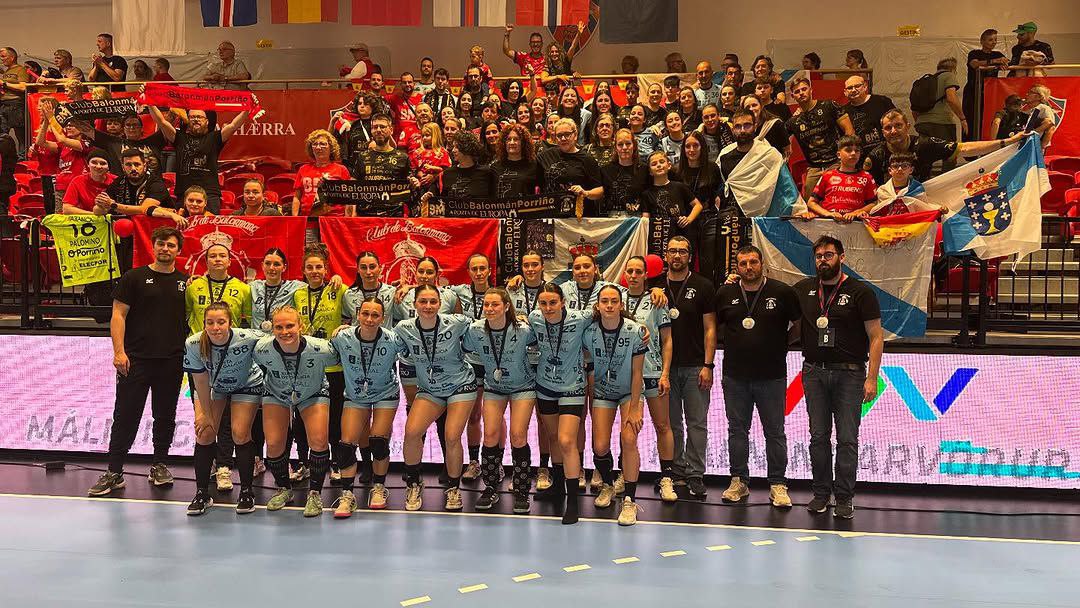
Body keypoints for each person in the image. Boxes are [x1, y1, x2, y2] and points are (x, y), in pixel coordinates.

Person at [87, 227, 187, 497]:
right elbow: (118, 315)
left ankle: (159, 465)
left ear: (179, 250)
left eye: (171, 245)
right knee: (125, 415)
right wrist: (118, 351)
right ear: (153, 246)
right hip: (136, 360)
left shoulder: (185, 281)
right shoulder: (134, 277)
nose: (166, 248)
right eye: (161, 244)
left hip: (172, 360)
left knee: (165, 416)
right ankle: (115, 471)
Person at [795, 235, 883, 519]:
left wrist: (872, 378)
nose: (823, 260)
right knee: (818, 437)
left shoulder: (860, 292)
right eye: (819, 255)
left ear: (841, 257)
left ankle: (844, 497)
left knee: (847, 439)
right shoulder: (803, 290)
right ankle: (821, 494)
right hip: (814, 372)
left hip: (850, 375)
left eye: (828, 255)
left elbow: (876, 336)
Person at [715, 245, 800, 507]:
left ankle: (778, 484)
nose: (748, 267)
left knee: (775, 432)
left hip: (772, 375)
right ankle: (739, 481)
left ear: (762, 263)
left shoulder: (782, 292)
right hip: (735, 376)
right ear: (737, 267)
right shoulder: (726, 293)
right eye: (743, 264)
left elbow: (797, 325)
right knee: (737, 431)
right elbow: (714, 326)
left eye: (753, 262)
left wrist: (781, 345)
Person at [394, 285, 478, 512]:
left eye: (433, 301)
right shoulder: (404, 328)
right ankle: (413, 483)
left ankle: (453, 488)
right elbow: (381, 337)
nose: (428, 306)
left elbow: (484, 325)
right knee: (411, 432)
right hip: (430, 389)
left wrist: (516, 320)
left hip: (461, 385)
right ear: (415, 304)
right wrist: (349, 329)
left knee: (451, 435)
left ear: (440, 303)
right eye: (423, 301)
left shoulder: (457, 322)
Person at [253, 306, 339, 517]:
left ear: (301, 326)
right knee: (273, 443)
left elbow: (341, 359)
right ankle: (284, 489)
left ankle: (315, 493)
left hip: (313, 391)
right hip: (276, 392)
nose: (285, 332)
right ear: (272, 329)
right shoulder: (261, 349)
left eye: (290, 326)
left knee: (318, 440)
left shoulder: (321, 348)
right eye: (279, 327)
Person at [648, 236, 716, 498]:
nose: (677, 256)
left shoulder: (703, 285)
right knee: (670, 423)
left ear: (690, 256)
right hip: (662, 369)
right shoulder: (654, 286)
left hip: (695, 365)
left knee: (697, 423)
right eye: (672, 251)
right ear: (666, 255)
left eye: (682, 252)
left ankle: (695, 473)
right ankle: (675, 471)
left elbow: (710, 329)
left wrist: (708, 364)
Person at [182, 301, 263, 515]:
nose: (215, 327)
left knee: (239, 433)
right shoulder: (193, 344)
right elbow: (199, 381)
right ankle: (202, 493)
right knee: (205, 434)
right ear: (204, 324)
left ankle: (246, 492)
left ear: (230, 323)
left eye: (221, 322)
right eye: (210, 322)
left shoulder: (247, 337)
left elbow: (277, 339)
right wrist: (205, 415)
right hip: (214, 387)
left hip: (247, 385)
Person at [461, 288, 538, 512]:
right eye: (486, 304)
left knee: (517, 434)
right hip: (494, 386)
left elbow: (542, 345)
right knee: (491, 434)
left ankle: (522, 489)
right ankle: (492, 486)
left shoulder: (524, 330)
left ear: (506, 306)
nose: (490, 309)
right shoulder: (475, 330)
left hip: (523, 386)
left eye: (495, 305)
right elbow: (463, 348)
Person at [582, 285, 647, 526]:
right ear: (597, 306)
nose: (609, 305)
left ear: (621, 305)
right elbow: (586, 365)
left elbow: (638, 372)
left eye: (614, 301)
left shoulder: (635, 331)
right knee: (599, 446)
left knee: (629, 439)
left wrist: (635, 407)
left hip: (628, 393)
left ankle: (629, 500)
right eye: (605, 301)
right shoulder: (588, 332)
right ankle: (608, 485)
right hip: (602, 392)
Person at [330, 297, 401, 515]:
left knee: (378, 441)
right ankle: (347, 494)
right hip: (355, 394)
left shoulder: (393, 339)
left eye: (375, 315)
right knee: (346, 444)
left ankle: (379, 487)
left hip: (385, 393)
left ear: (383, 318)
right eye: (365, 314)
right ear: (358, 315)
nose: (370, 319)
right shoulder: (342, 337)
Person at [529, 283, 590, 524]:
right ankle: (558, 487)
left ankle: (573, 502)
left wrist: (640, 328)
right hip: (545, 385)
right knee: (553, 437)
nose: (548, 308)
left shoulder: (580, 317)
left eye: (553, 302)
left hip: (572, 386)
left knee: (567, 440)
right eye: (543, 303)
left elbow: (609, 309)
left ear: (563, 301)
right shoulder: (535, 318)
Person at [619, 257, 677, 503]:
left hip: (652, 373)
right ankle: (625, 473)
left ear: (646, 275)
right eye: (629, 271)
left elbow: (667, 340)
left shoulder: (657, 301)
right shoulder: (615, 298)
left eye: (638, 271)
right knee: (627, 431)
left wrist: (665, 373)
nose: (633, 275)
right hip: (624, 375)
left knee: (662, 425)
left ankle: (666, 477)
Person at [864, 109, 1024, 185]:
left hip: (921, 200)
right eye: (888, 128)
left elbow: (965, 149)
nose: (894, 131)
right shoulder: (876, 155)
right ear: (882, 132)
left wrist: (1006, 143)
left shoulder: (924, 144)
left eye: (898, 126)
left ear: (908, 126)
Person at [148, 100, 252, 214]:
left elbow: (233, 125)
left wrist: (248, 108)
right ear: (188, 120)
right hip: (184, 193)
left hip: (210, 194)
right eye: (192, 117)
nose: (196, 119)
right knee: (184, 228)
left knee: (210, 228)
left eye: (199, 117)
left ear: (207, 121)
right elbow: (162, 122)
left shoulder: (215, 138)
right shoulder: (179, 138)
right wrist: (149, 102)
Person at [787, 77, 855, 198]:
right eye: (797, 91)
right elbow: (781, 141)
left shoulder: (829, 105)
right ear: (793, 96)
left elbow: (849, 131)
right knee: (809, 202)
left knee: (839, 199)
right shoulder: (793, 121)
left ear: (811, 90)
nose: (801, 93)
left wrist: (846, 159)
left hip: (836, 163)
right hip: (814, 168)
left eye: (804, 89)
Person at [537, 118, 604, 217]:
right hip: (553, 216)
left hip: (580, 218)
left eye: (567, 134)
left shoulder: (587, 159)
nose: (563, 138)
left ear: (575, 135)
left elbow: (600, 190)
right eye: (559, 135)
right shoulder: (546, 156)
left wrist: (586, 193)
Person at [803, 136, 877, 220]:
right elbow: (811, 202)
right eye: (848, 150)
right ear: (838, 154)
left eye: (857, 151)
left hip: (855, 225)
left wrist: (857, 212)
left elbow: (874, 204)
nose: (853, 153)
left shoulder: (867, 177)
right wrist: (827, 213)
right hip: (829, 224)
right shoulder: (827, 175)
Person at [913, 58, 965, 172]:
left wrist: (920, 121)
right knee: (950, 155)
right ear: (953, 68)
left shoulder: (925, 81)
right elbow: (951, 98)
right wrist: (962, 118)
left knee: (925, 156)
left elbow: (914, 108)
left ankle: (923, 182)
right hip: (942, 123)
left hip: (922, 123)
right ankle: (946, 184)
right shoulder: (948, 75)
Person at [79, 113, 167, 176]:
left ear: (141, 128)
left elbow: (166, 124)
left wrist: (151, 103)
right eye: (128, 125)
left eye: (135, 125)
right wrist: (69, 118)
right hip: (122, 188)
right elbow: (88, 131)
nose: (132, 128)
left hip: (151, 188)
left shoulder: (153, 142)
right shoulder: (113, 142)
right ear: (123, 129)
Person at [350, 113, 417, 195]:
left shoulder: (403, 158)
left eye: (382, 127)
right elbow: (353, 188)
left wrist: (414, 183)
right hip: (368, 206)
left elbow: (411, 185)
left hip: (395, 207)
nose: (378, 130)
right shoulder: (362, 157)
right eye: (375, 127)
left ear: (391, 130)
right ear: (371, 131)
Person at [963, 29, 1009, 140]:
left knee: (989, 118)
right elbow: (974, 64)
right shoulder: (974, 53)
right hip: (973, 92)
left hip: (990, 93)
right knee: (972, 120)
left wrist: (1002, 64)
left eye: (995, 40)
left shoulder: (997, 54)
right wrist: (994, 62)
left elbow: (1007, 61)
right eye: (990, 40)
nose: (993, 42)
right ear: (982, 41)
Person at [294, 129, 351, 217]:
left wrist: (347, 220)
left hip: (334, 219)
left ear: (331, 148)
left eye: (322, 144)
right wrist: (295, 218)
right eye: (315, 144)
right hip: (308, 218)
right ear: (311, 148)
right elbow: (297, 197)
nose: (318, 147)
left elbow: (348, 199)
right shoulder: (303, 169)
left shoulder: (341, 170)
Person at [842, 75, 895, 161]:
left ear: (865, 86)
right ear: (845, 92)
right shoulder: (843, 111)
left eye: (857, 86)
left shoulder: (882, 101)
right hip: (859, 158)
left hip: (887, 154)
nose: (854, 90)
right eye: (850, 88)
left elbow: (896, 123)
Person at [601, 128, 648, 217]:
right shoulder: (605, 171)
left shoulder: (644, 170)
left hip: (637, 219)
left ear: (634, 146)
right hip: (612, 219)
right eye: (620, 144)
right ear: (615, 147)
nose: (624, 148)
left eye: (628, 143)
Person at [491, 122, 541, 198]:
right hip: (502, 208)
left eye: (516, 139)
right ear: (504, 143)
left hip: (525, 208)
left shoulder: (534, 165)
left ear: (523, 143)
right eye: (508, 139)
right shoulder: (494, 166)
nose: (512, 143)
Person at [62, 150, 114, 214]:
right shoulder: (77, 181)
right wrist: (94, 215)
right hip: (85, 220)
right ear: (88, 165)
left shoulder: (116, 181)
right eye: (94, 162)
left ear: (108, 167)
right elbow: (66, 209)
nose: (98, 166)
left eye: (103, 163)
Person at [0, 48, 30, 151]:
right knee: (2, 135)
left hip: (15, 104)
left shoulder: (21, 70)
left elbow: (23, 87)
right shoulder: (6, 71)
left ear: (12, 57)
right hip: (3, 104)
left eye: (4, 56)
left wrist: (4, 83)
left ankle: (22, 160)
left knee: (20, 136)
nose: (1, 59)